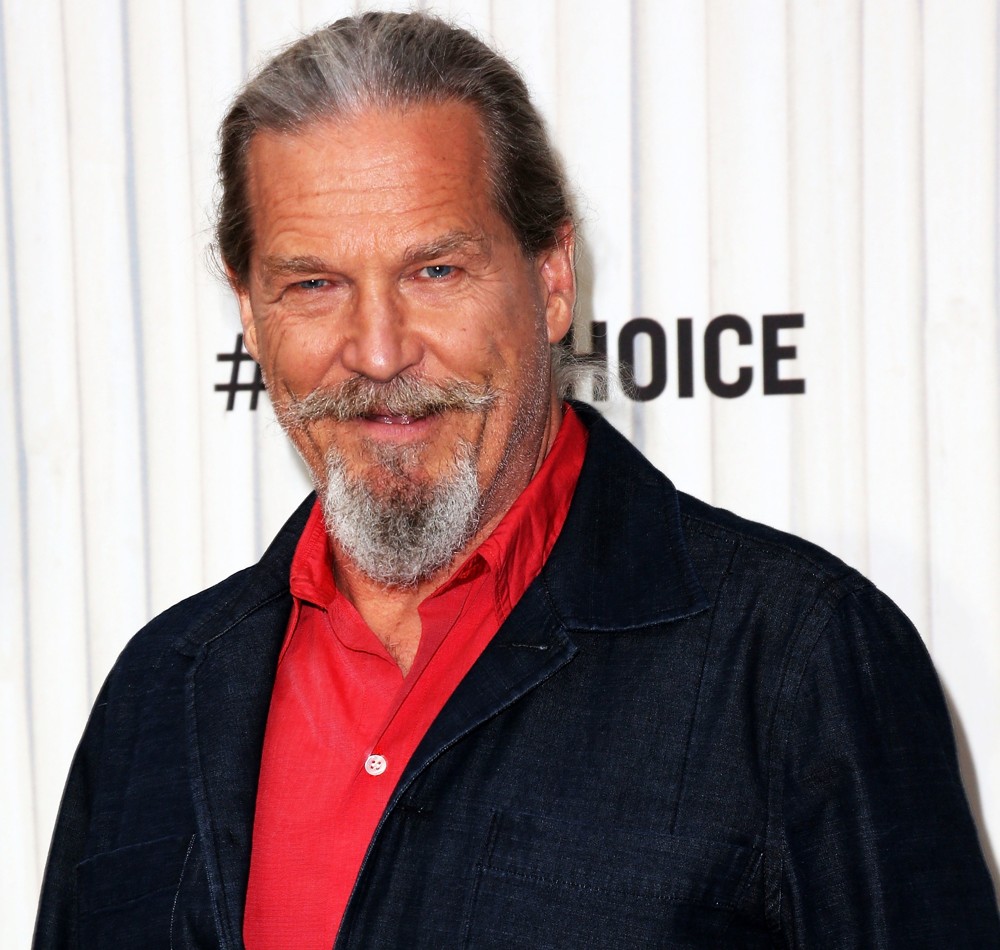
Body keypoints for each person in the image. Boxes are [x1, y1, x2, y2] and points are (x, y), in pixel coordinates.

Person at [33, 11, 999, 949]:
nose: (378, 351)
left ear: (551, 279)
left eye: (435, 271)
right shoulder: (157, 694)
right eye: (314, 284)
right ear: (250, 313)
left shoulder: (795, 665)